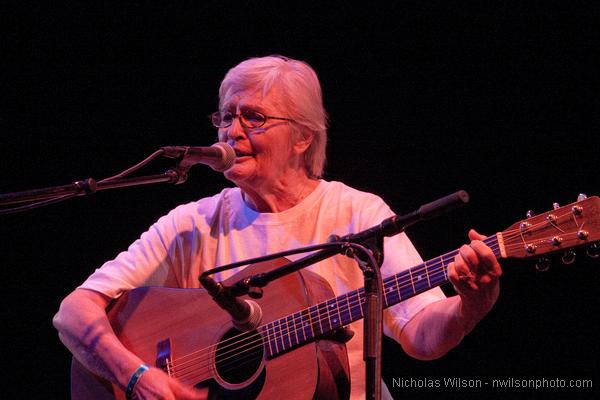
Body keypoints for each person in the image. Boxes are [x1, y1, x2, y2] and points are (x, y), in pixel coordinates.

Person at [53, 55, 502, 400]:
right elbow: (72, 312)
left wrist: (471, 305)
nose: (232, 131)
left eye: (254, 117)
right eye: (226, 116)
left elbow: (422, 335)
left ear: (303, 137)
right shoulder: (191, 224)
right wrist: (136, 376)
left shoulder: (357, 213)